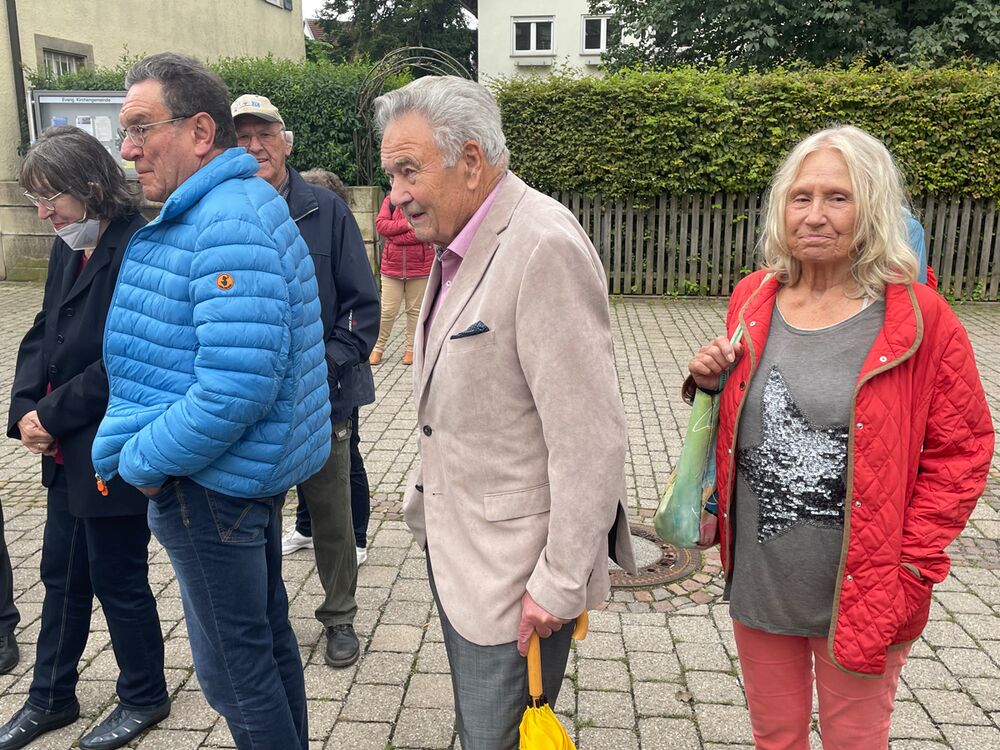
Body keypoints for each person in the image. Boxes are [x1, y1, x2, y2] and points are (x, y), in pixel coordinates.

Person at [686, 125, 993, 749]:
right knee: (775, 737)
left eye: (837, 198)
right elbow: (739, 418)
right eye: (801, 197)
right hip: (764, 573)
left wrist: (912, 563)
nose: (815, 215)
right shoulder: (752, 298)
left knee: (855, 740)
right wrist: (709, 382)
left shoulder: (919, 318)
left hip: (867, 584)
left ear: (872, 208)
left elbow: (963, 450)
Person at [374, 76, 636, 749]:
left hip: (516, 573)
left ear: (470, 161)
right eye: (391, 173)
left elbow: (590, 438)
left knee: (495, 738)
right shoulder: (458, 241)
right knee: (483, 730)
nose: (395, 194)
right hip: (459, 547)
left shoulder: (542, 244)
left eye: (408, 171)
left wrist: (559, 580)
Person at [91, 54, 331, 750]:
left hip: (208, 483)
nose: (128, 149)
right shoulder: (233, 203)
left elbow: (238, 384)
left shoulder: (224, 218)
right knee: (265, 645)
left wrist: (144, 461)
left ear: (200, 132)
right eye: (125, 131)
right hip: (230, 477)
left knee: (234, 674)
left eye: (141, 129)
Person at [4, 126, 170, 750]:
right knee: (60, 572)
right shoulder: (67, 244)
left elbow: (129, 358)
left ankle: (144, 694)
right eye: (36, 200)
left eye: (51, 198)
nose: (43, 214)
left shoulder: (139, 245)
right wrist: (26, 408)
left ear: (93, 186)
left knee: (117, 576)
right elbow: (43, 328)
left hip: (111, 443)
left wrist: (53, 415)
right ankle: (51, 697)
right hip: (64, 443)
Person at [231, 94, 379, 668]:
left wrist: (325, 364)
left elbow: (360, 306)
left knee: (332, 514)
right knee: (255, 519)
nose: (254, 147)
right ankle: (268, 619)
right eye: (242, 137)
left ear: (285, 143)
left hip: (322, 397)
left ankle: (340, 616)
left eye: (264, 135)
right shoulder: (226, 211)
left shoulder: (325, 209)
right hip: (251, 403)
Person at [282, 167, 376, 568]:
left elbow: (358, 303)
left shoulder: (336, 224)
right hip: (306, 375)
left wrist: (332, 362)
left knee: (346, 456)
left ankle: (357, 535)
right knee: (306, 460)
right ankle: (306, 526)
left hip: (340, 374)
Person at [371, 193, 434, 366]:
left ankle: (411, 349)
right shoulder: (390, 201)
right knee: (387, 311)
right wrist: (406, 224)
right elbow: (381, 225)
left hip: (420, 266)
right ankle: (377, 348)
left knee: (415, 311)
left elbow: (424, 232)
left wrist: (394, 236)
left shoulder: (423, 200)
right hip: (392, 267)